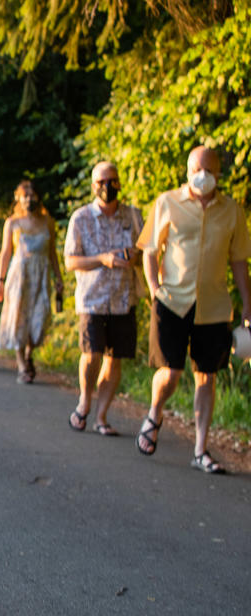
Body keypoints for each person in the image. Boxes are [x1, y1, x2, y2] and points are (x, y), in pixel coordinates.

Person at [135, 146, 251, 473]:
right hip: (172, 301)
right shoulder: (166, 202)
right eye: (195, 169)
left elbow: (239, 261)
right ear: (187, 170)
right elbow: (149, 250)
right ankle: (155, 412)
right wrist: (156, 290)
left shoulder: (232, 211)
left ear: (218, 173)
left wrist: (248, 307)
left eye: (208, 169)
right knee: (170, 372)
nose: (201, 175)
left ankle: (200, 450)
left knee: (207, 376)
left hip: (214, 307)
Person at [64, 162, 143, 436]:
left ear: (119, 182)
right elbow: (70, 261)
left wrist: (136, 257)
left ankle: (102, 416)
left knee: (114, 359)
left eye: (111, 180)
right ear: (93, 185)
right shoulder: (81, 218)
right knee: (91, 354)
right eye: (101, 181)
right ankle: (85, 400)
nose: (106, 186)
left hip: (124, 299)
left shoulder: (133, 217)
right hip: (92, 299)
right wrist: (102, 259)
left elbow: (148, 255)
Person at [0, 180, 63, 383]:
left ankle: (29, 353)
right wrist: (0, 279)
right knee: (18, 317)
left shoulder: (47, 222)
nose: (29, 199)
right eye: (25, 195)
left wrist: (59, 278)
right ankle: (22, 365)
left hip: (41, 275)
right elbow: (6, 252)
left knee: (39, 318)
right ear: (18, 198)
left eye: (32, 195)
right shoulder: (12, 222)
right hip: (19, 275)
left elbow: (52, 253)